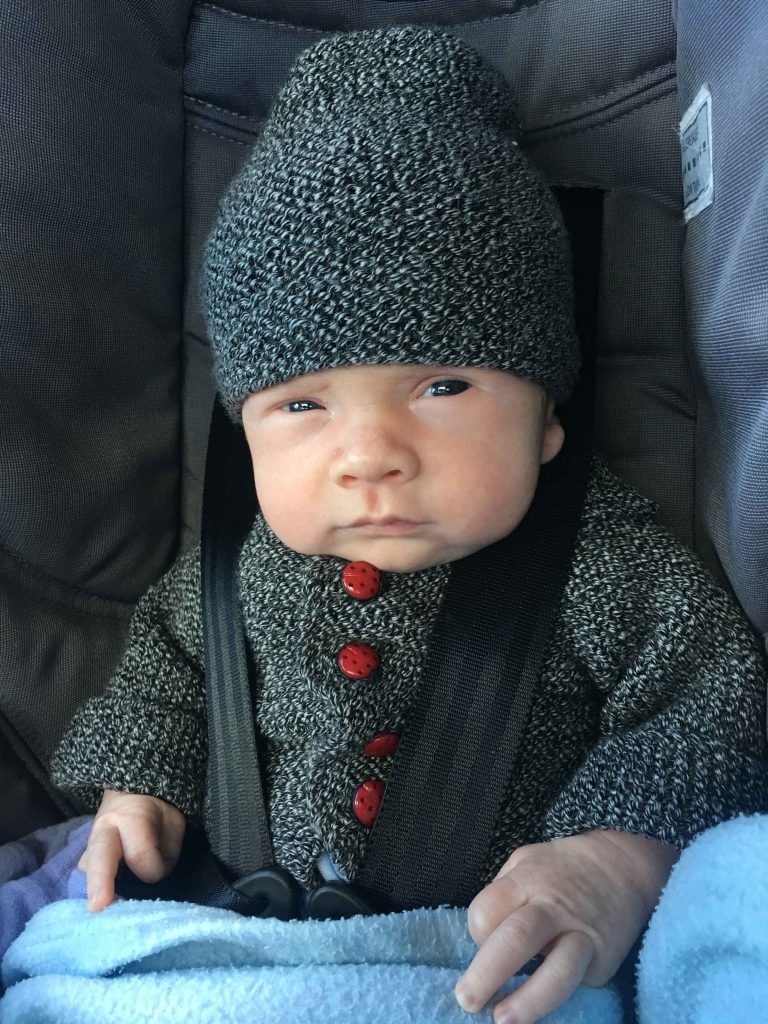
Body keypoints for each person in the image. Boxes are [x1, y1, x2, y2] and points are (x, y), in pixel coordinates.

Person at [49, 25, 768, 1024]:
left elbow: (708, 699)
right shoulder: (235, 573)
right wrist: (143, 788)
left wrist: (615, 855)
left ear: (547, 419)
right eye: (302, 405)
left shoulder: (602, 563)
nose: (370, 453)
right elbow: (166, 671)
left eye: (441, 386)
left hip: (498, 951)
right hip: (250, 931)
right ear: (245, 432)